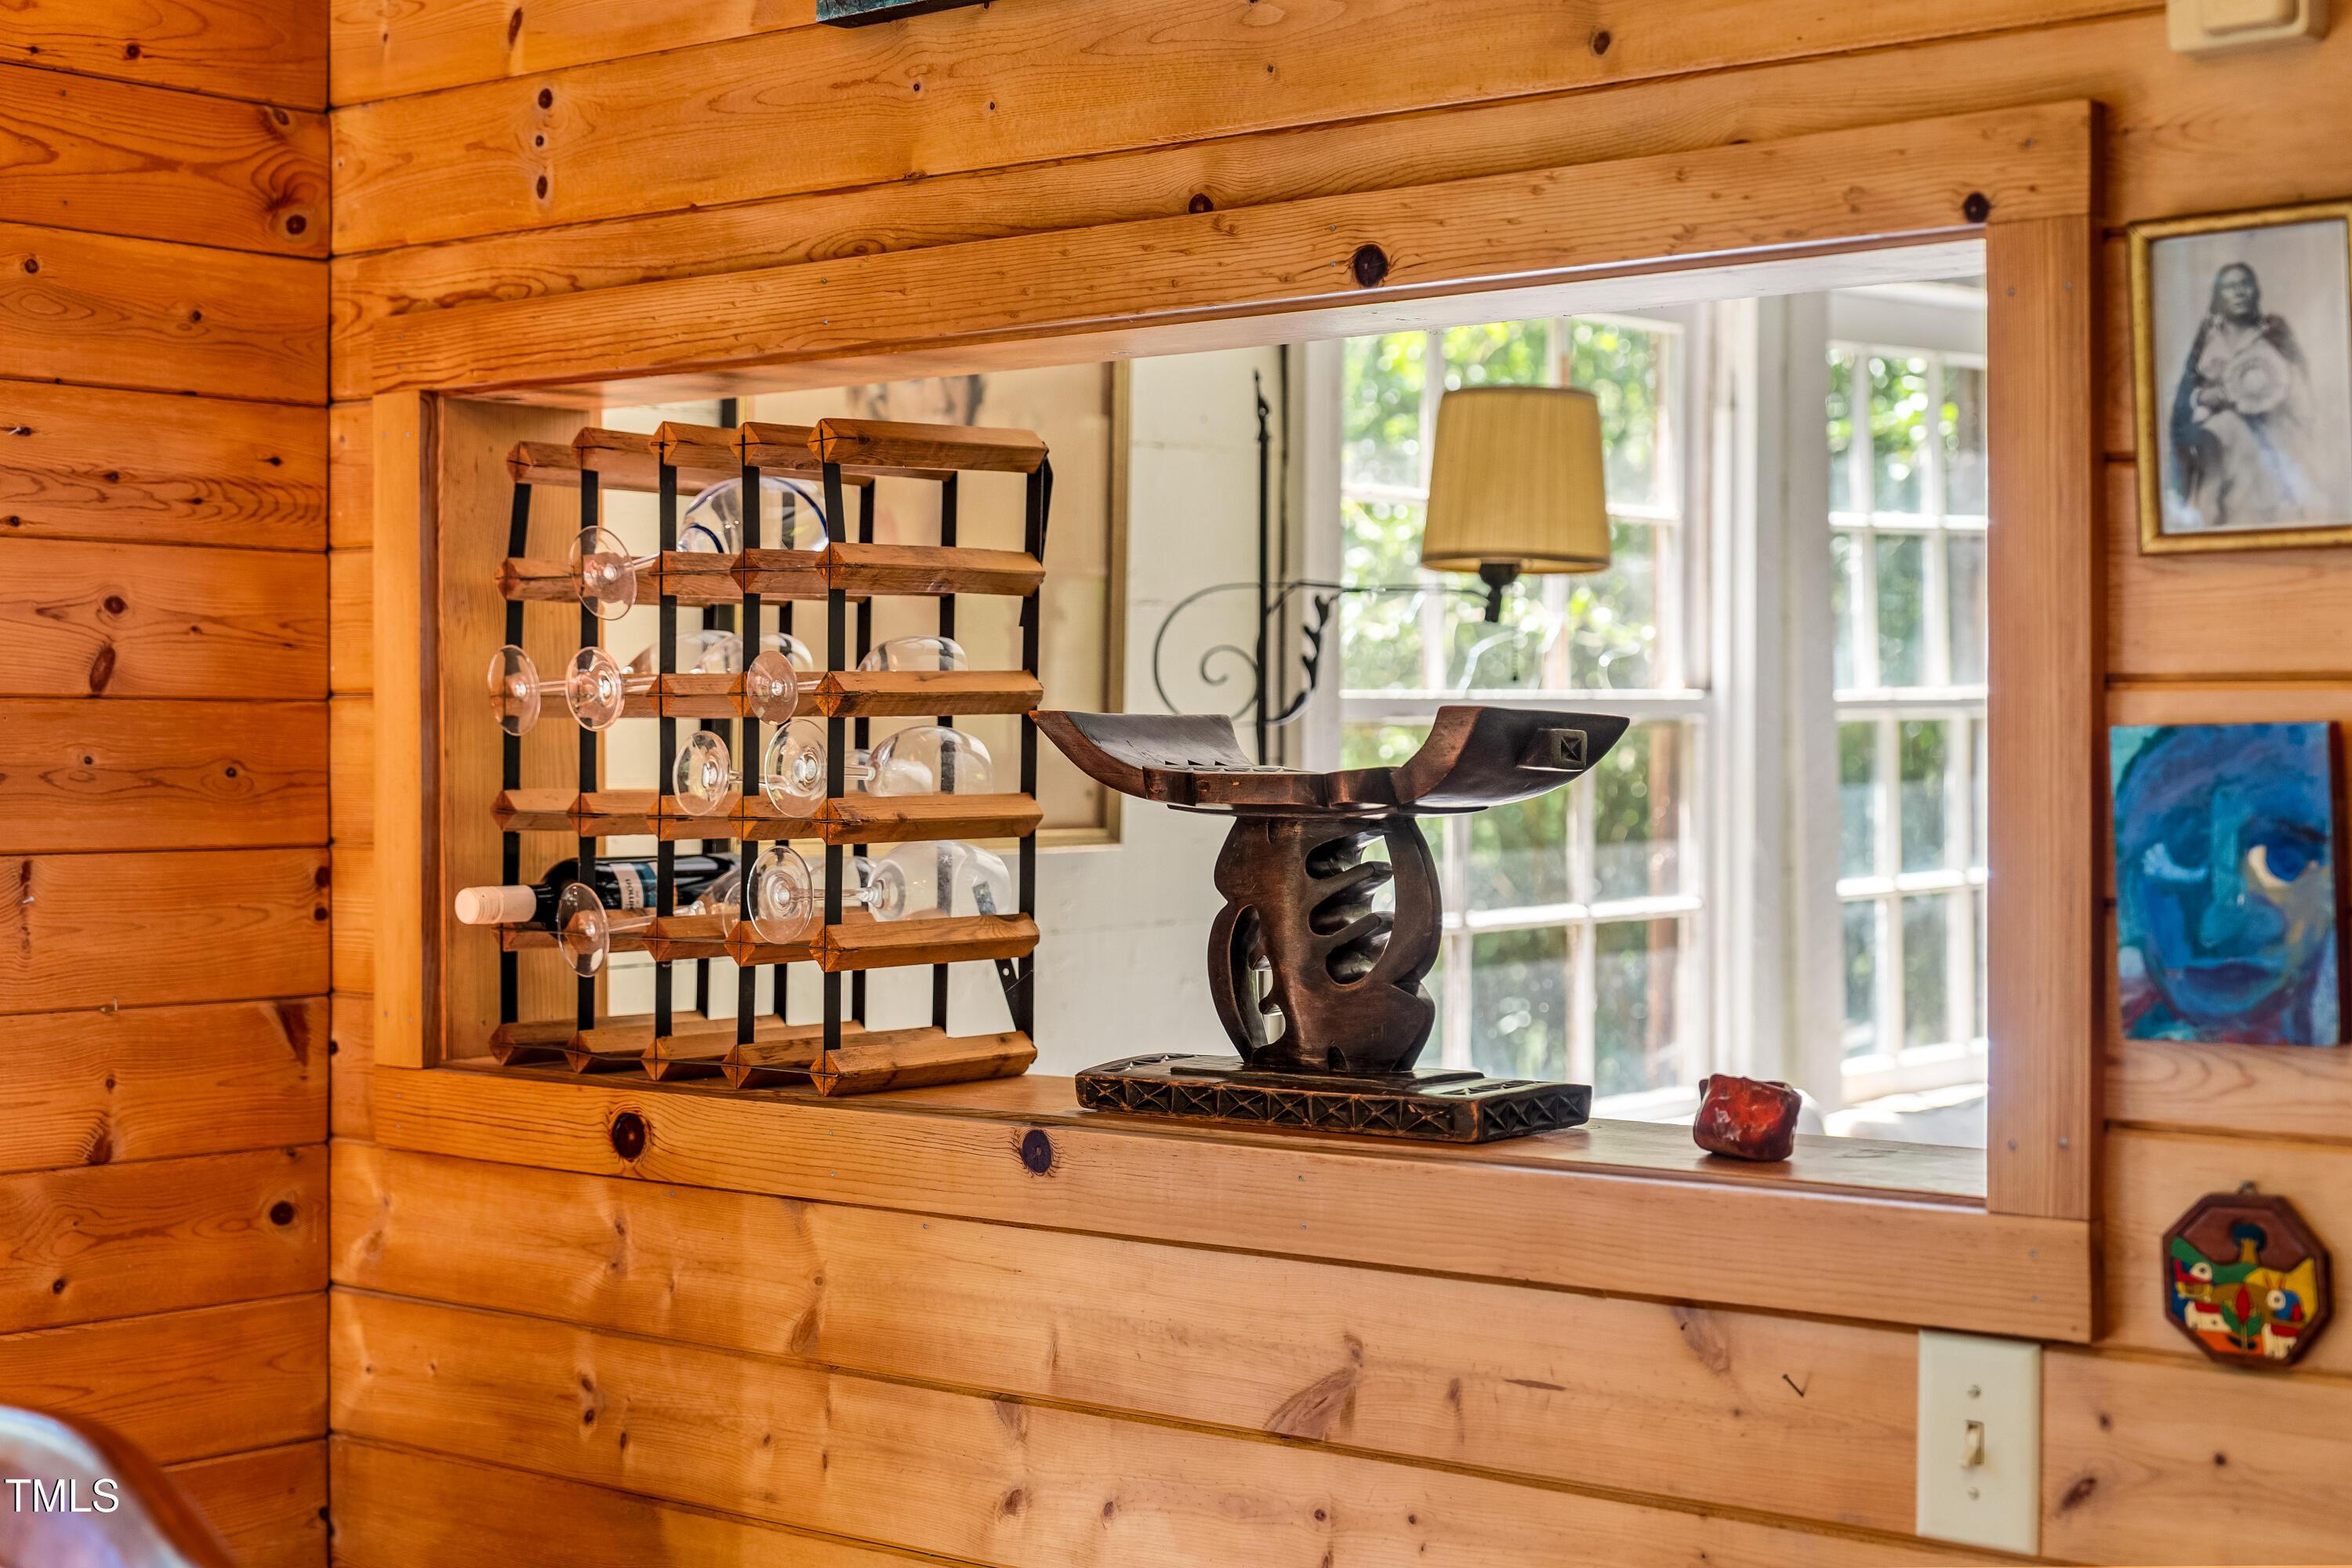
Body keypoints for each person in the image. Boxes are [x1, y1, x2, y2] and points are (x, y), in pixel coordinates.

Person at [2168, 262, 2329, 530]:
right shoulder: (2206, 338)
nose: (2240, 292)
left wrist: (2270, 399)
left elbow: (2302, 394)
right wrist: (2202, 397)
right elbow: (2181, 395)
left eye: (2245, 285)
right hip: (2214, 446)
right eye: (2230, 287)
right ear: (2218, 296)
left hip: (2272, 438)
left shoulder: (2273, 332)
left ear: (2256, 291)